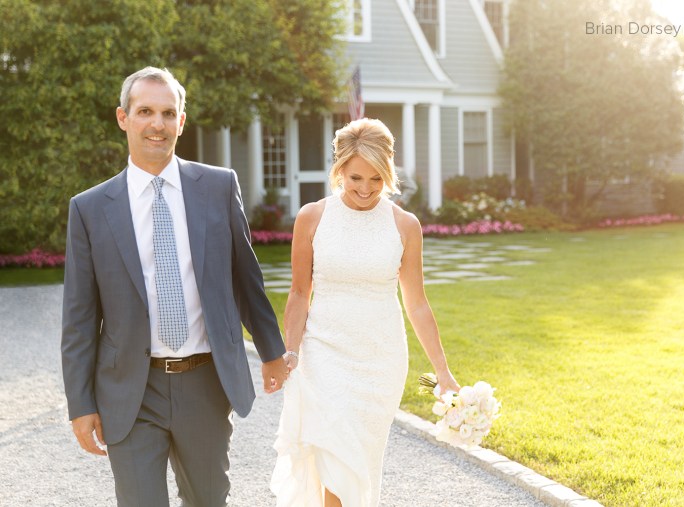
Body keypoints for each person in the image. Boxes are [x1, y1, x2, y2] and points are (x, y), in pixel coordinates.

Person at [60, 66, 289, 506]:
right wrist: (81, 404)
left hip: (204, 382)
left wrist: (273, 352)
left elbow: (247, 278)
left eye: (168, 113)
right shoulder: (89, 208)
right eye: (145, 111)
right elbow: (79, 317)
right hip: (130, 388)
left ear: (181, 121)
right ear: (123, 118)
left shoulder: (218, 187)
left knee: (208, 500)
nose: (157, 124)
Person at [270, 118, 460, 506]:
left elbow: (417, 302)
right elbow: (299, 292)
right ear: (339, 170)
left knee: (360, 465)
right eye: (356, 177)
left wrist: (443, 372)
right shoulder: (313, 217)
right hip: (324, 356)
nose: (366, 189)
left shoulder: (405, 225)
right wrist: (291, 351)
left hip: (380, 361)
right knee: (335, 462)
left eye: (376, 179)